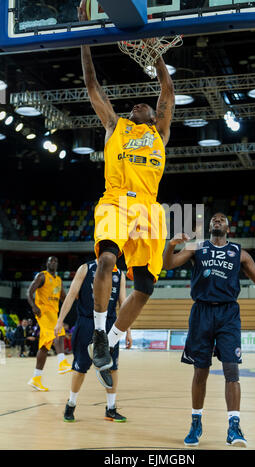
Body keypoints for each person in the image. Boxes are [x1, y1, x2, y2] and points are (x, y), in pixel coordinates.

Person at [78, 1, 174, 384]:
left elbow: (166, 89)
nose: (140, 103)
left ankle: (111, 342)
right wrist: (85, 37)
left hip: (149, 212)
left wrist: (156, 55)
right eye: (137, 104)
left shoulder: (160, 135)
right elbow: (91, 85)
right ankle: (100, 331)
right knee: (105, 262)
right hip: (116, 201)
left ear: (153, 116)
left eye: (145, 105)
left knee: (146, 288)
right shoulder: (115, 125)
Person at [163, 212, 255, 447]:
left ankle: (234, 427)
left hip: (228, 315)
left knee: (232, 371)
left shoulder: (240, 253)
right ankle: (196, 422)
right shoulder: (197, 247)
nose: (217, 220)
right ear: (210, 226)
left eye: (222, 218)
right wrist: (171, 244)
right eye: (214, 218)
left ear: (228, 228)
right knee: (200, 372)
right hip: (202, 312)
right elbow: (168, 264)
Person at [54, 260, 132, 422]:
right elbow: (70, 295)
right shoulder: (85, 268)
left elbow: (124, 304)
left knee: (112, 367)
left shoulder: (120, 274)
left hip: (111, 324)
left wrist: (128, 331)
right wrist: (60, 320)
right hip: (87, 323)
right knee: (80, 367)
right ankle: (71, 404)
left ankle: (111, 409)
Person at [27, 256, 71, 391]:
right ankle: (62, 361)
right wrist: (34, 306)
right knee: (59, 332)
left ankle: (36, 378)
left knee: (45, 346)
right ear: (46, 263)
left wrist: (78, 296)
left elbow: (64, 297)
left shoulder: (58, 280)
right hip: (43, 312)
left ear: (57, 264)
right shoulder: (42, 276)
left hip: (54, 313)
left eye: (55, 261)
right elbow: (29, 291)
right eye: (50, 261)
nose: (53, 263)